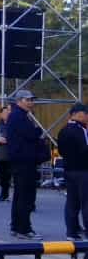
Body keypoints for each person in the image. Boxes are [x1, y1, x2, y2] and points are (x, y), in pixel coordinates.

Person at [7, 90, 45, 239]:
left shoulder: (19, 115)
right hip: (24, 161)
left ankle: (16, 226)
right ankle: (24, 228)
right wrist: (38, 130)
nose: (31, 103)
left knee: (19, 195)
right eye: (27, 100)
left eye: (31, 100)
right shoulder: (19, 116)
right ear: (19, 101)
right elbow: (31, 134)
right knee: (26, 196)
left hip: (20, 160)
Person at [58, 103, 88, 241]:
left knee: (72, 201)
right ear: (76, 114)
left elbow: (61, 151)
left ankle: (71, 231)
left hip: (69, 169)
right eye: (85, 114)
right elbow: (84, 150)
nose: (87, 116)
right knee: (85, 202)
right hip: (83, 170)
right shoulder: (80, 130)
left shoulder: (63, 130)